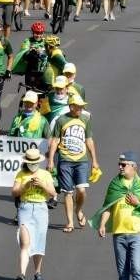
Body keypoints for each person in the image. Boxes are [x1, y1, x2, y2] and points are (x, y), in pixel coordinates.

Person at [95, 152, 140, 280]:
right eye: (119, 164)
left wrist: (137, 203)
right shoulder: (115, 184)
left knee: (136, 269)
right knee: (122, 273)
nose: (120, 167)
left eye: (124, 164)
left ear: (133, 167)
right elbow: (108, 207)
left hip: (137, 233)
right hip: (119, 233)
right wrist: (102, 225)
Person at [48, 94, 98, 232]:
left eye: (82, 107)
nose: (81, 109)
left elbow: (89, 140)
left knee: (81, 190)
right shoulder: (61, 120)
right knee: (68, 192)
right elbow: (55, 140)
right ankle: (69, 222)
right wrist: (51, 159)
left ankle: (78, 210)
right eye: (78, 107)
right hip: (65, 160)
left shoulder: (85, 119)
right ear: (71, 106)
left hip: (81, 160)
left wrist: (95, 160)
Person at [11, 148, 57, 280]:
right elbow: (14, 192)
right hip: (25, 208)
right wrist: (25, 186)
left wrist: (42, 184)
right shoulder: (21, 174)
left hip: (41, 209)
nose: (33, 165)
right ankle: (22, 275)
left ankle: (37, 272)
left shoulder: (45, 174)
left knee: (39, 241)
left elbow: (53, 193)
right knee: (25, 242)